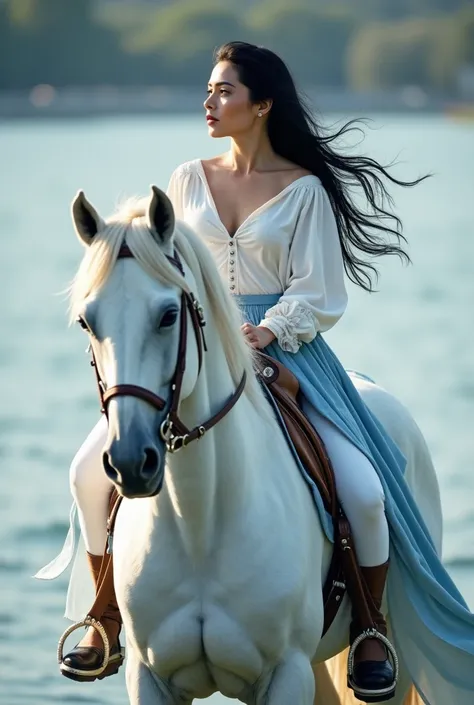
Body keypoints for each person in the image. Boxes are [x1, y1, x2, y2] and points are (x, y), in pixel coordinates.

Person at [56, 41, 474, 703]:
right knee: (86, 471)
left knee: (365, 492)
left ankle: (370, 626)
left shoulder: (304, 190)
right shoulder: (187, 180)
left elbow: (319, 293)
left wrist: (269, 328)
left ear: (263, 103)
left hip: (287, 355)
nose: (210, 102)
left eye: (224, 91)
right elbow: (167, 268)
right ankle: (106, 615)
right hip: (191, 353)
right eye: (209, 89)